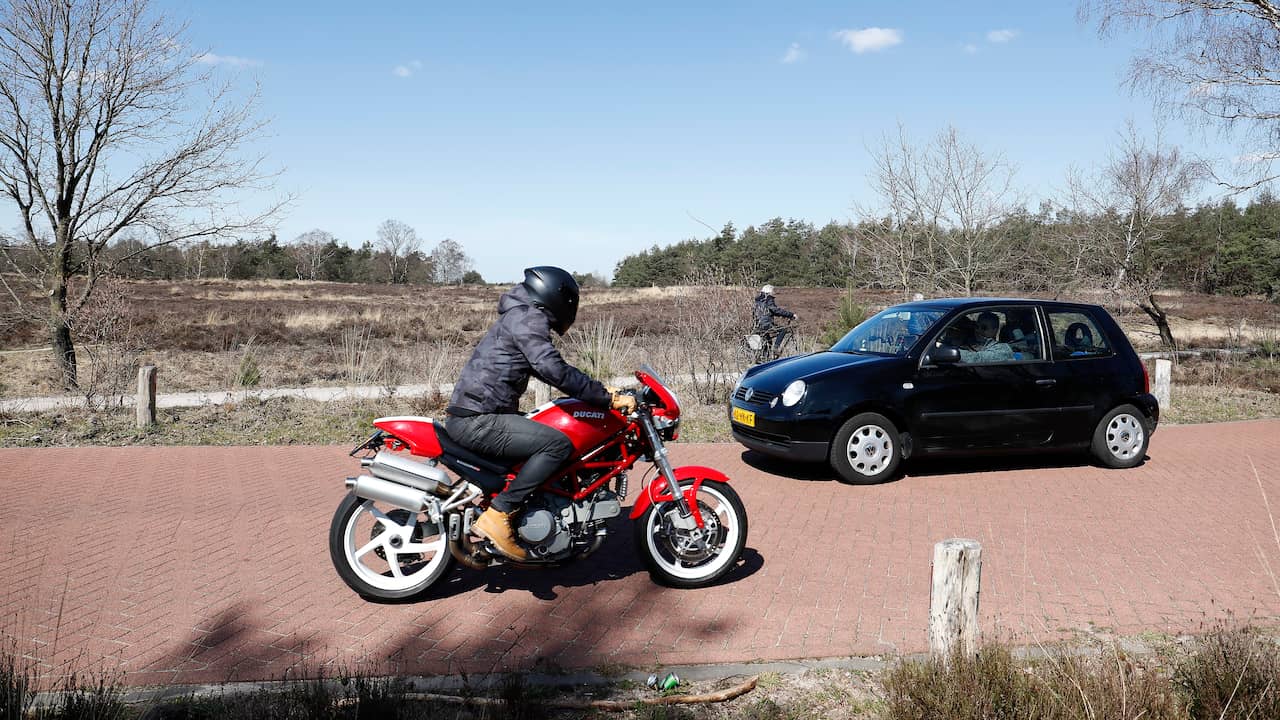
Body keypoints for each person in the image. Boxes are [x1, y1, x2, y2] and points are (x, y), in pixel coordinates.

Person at [445, 266, 636, 561]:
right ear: (555, 296)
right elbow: (552, 369)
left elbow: (545, 370)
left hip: (480, 413)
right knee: (557, 444)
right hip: (478, 419)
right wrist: (604, 397)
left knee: (543, 430)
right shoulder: (527, 317)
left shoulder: (519, 315)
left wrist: (597, 392)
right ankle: (500, 513)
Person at [752, 284, 797, 357]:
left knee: (768, 340)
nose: (773, 293)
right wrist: (790, 315)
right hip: (766, 324)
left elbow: (768, 311)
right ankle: (776, 348)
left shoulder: (758, 300)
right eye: (773, 291)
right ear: (769, 292)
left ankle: (764, 358)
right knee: (783, 329)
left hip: (757, 324)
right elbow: (775, 310)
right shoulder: (768, 299)